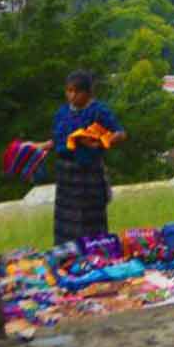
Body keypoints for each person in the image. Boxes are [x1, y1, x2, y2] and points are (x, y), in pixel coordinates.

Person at [51, 70, 125, 244]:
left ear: (87, 93)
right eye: (69, 91)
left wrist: (100, 141)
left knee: (91, 224)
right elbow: (57, 139)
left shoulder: (98, 111)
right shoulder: (62, 113)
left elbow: (120, 134)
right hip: (67, 176)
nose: (72, 96)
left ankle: (95, 253)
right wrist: (39, 146)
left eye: (77, 92)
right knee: (66, 225)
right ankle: (68, 256)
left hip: (89, 174)